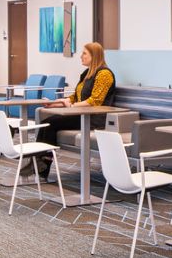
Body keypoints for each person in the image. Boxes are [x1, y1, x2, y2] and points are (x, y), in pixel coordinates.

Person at [32, 42, 117, 177]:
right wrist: (54, 104)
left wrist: (71, 107)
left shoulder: (104, 74)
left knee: (51, 123)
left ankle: (41, 165)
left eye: (84, 53)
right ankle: (39, 162)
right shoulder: (86, 73)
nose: (81, 56)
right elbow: (74, 97)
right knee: (47, 122)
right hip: (81, 114)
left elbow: (95, 101)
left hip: (94, 118)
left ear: (94, 56)